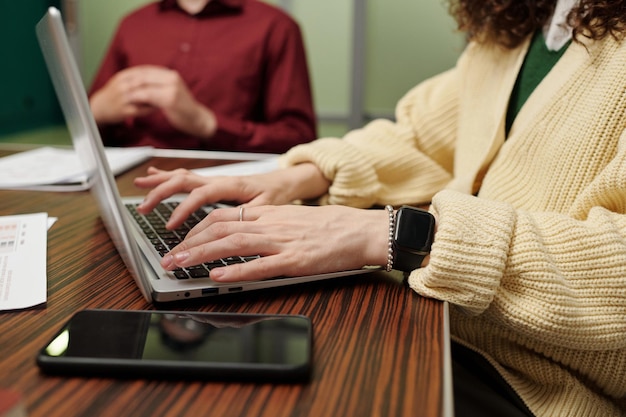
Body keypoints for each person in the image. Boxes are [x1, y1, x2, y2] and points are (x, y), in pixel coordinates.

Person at [133, 0, 626, 415]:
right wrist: (296, 176)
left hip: (540, 384)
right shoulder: (520, 23)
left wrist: (396, 234)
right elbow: (421, 139)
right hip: (439, 317)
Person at [88, 0, 316, 153]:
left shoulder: (276, 27)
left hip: (227, 187)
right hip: (128, 182)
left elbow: (299, 138)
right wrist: (96, 111)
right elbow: (90, 120)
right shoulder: (132, 24)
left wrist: (205, 123)